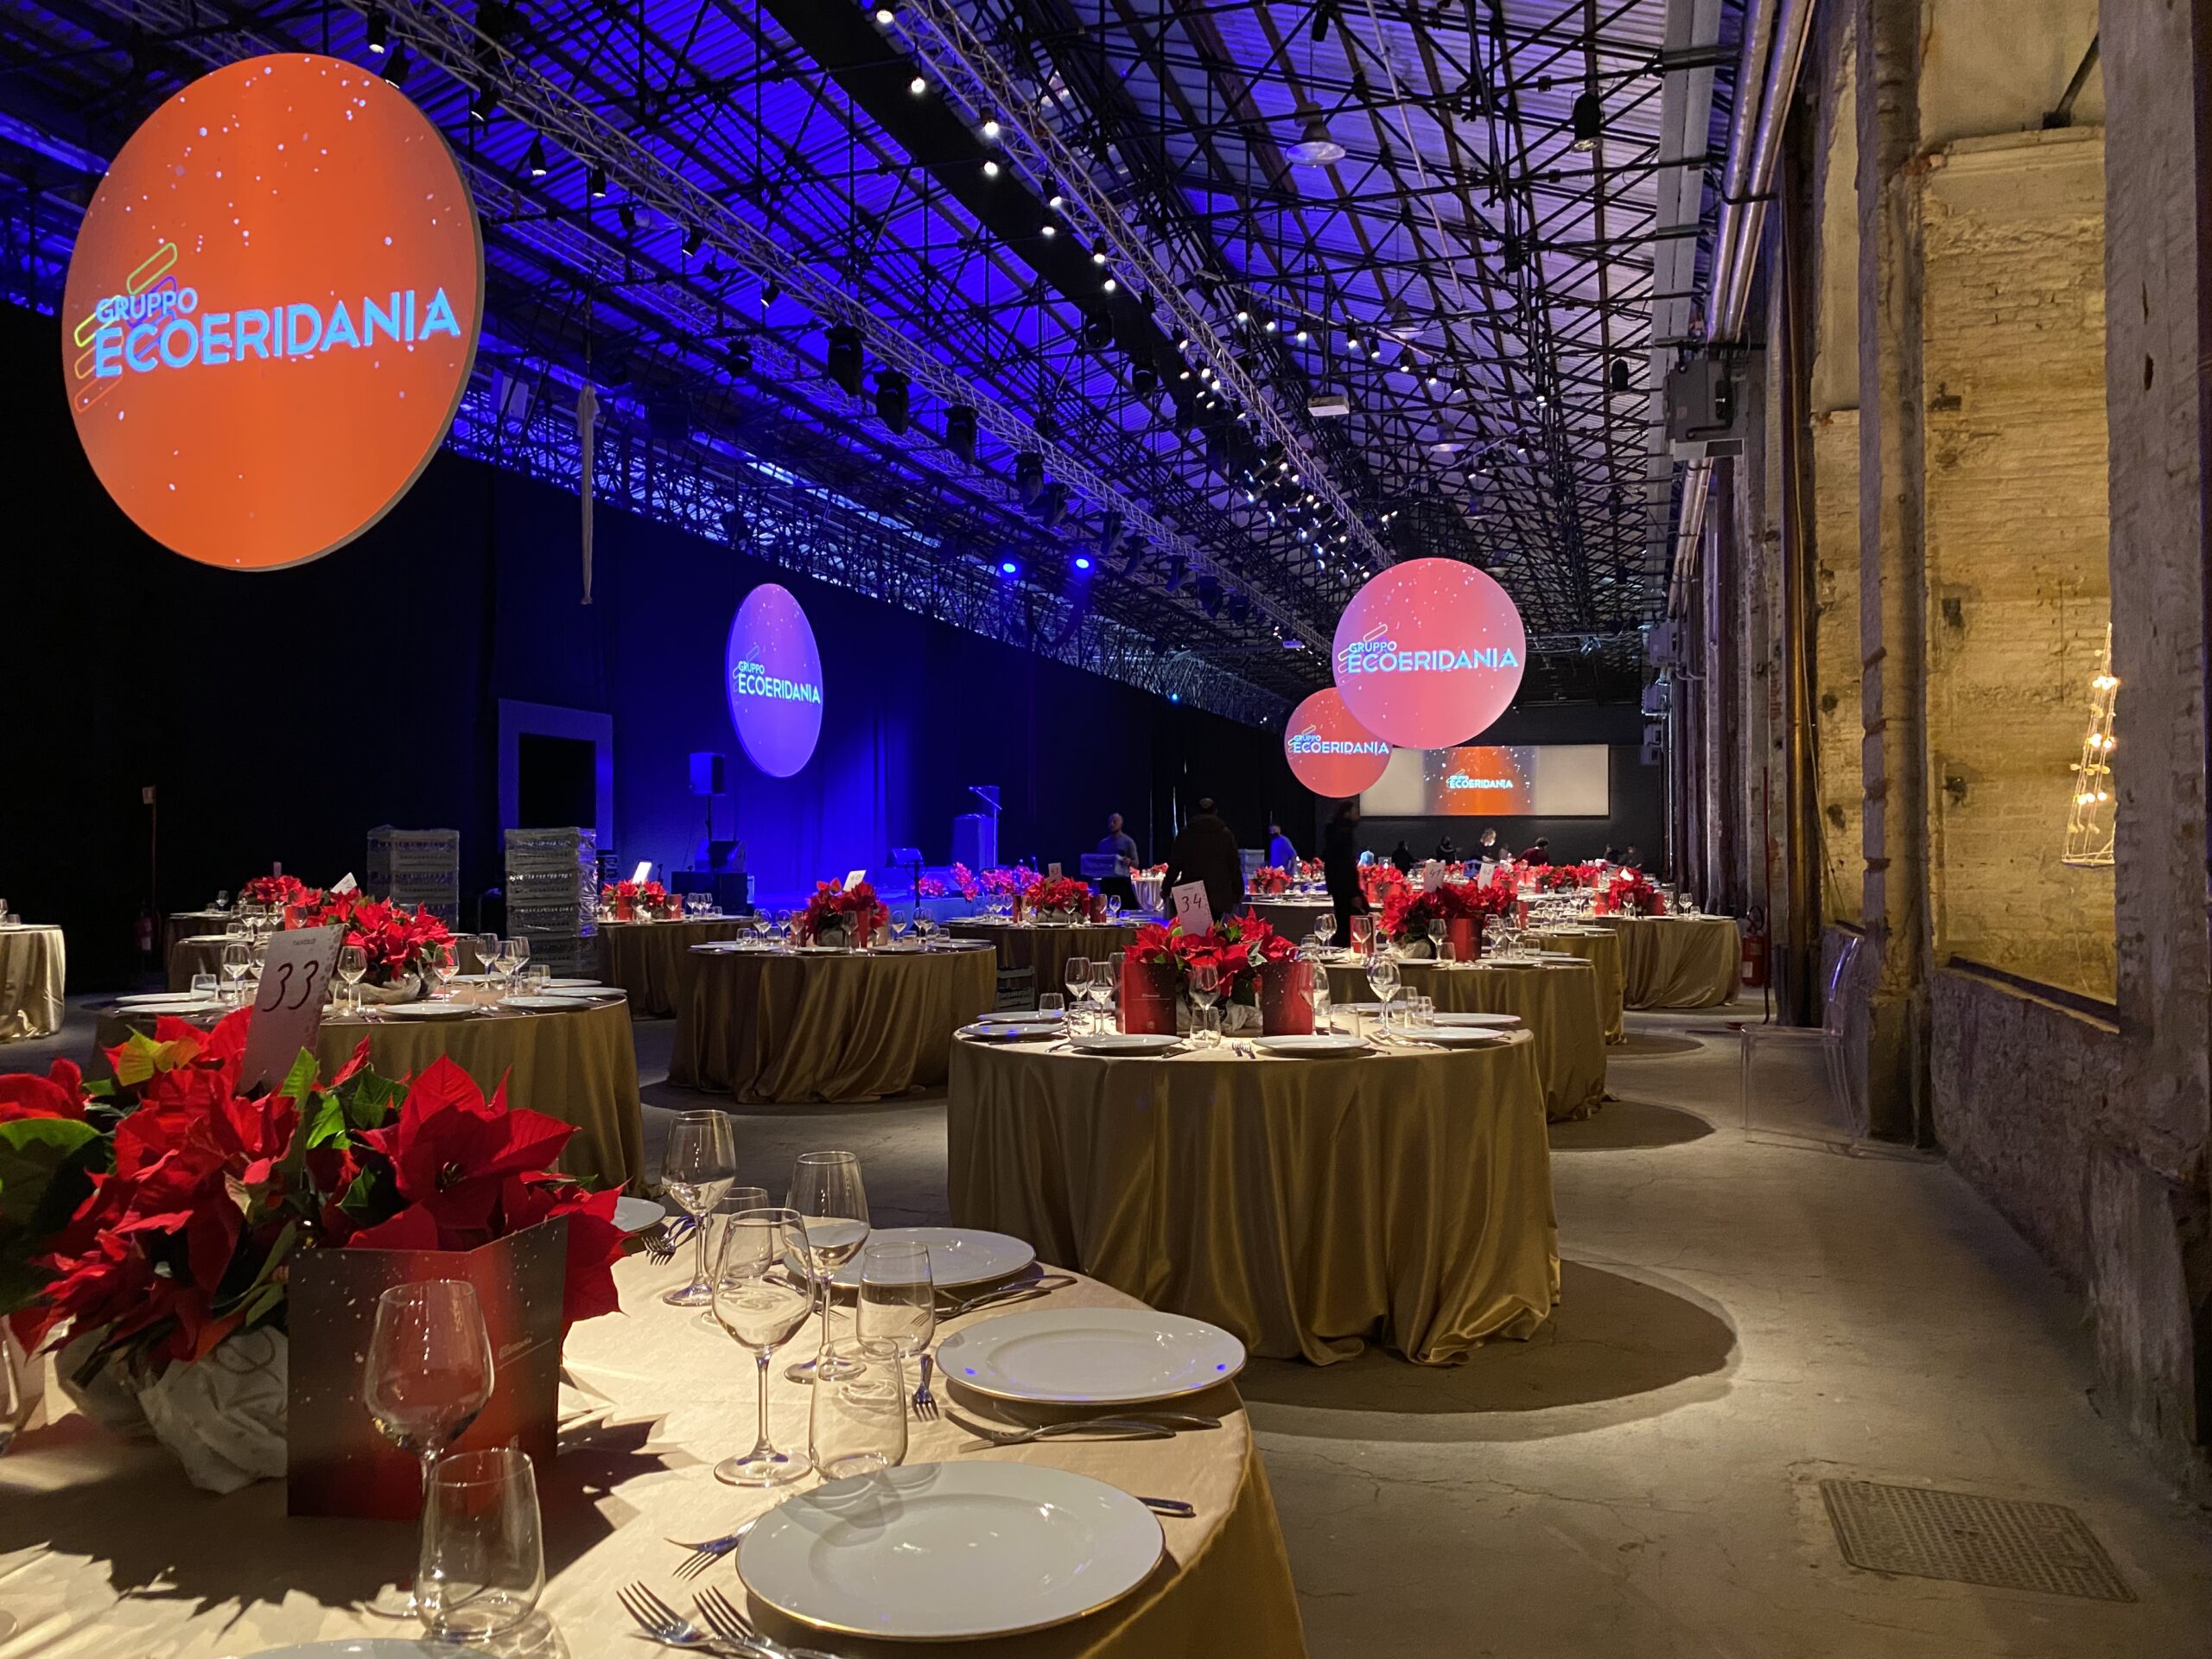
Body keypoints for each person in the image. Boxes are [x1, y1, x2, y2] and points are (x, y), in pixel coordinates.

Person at [1163, 797, 1244, 924]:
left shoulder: (1186, 833)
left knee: (1192, 935)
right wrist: (1238, 891)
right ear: (1215, 811)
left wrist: (1166, 888)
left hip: (1191, 893)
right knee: (1216, 935)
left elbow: (1175, 864)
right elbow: (1234, 865)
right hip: (1219, 893)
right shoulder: (1225, 834)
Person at [1323, 800, 1368, 943]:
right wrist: (1354, 892)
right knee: (1353, 920)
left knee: (1342, 919)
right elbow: (1345, 864)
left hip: (1336, 884)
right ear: (1347, 813)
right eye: (1355, 811)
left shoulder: (1333, 832)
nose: (1358, 815)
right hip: (1346, 885)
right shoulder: (1344, 833)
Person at [1095, 812, 1141, 910]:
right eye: (1110, 822)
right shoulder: (1103, 844)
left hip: (1122, 882)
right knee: (1105, 911)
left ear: (1121, 824)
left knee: (1125, 910)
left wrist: (1129, 861)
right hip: (1106, 882)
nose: (1112, 824)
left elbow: (1136, 863)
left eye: (1115, 822)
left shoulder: (1128, 842)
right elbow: (1098, 863)